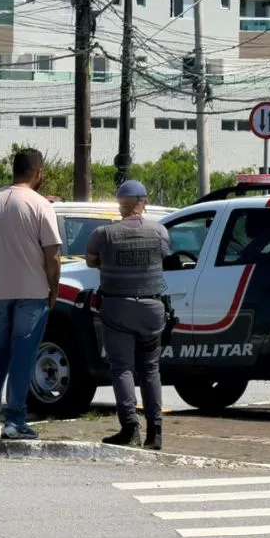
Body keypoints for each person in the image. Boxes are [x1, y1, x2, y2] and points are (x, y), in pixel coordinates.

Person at [0, 148, 62, 441]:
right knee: (23, 356)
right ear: (37, 172)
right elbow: (53, 256)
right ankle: (14, 421)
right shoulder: (40, 204)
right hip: (31, 290)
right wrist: (53, 289)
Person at [85, 179, 171, 450]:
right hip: (151, 309)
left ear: (120, 204)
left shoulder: (103, 234)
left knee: (122, 368)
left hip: (117, 308)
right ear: (143, 202)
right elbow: (164, 256)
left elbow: (91, 260)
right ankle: (155, 431)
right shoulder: (159, 231)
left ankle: (130, 427)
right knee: (150, 369)